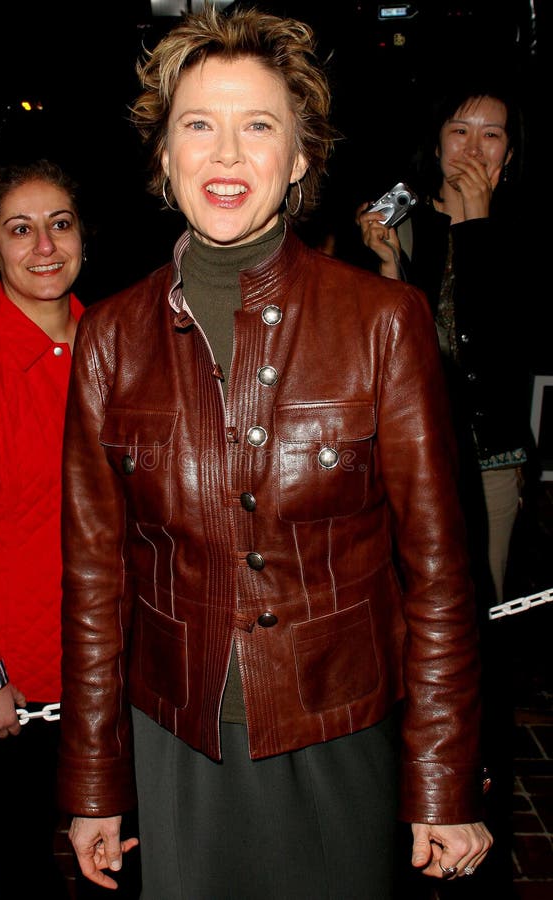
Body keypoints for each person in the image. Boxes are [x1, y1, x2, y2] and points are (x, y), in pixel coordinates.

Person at [57, 6, 493, 898]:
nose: (225, 154)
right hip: (176, 738)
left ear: (297, 160)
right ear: (164, 156)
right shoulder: (107, 337)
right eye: (198, 126)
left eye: (258, 126)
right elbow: (96, 584)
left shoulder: (381, 322)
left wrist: (443, 779)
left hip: (340, 729)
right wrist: (95, 785)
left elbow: (440, 571)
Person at [356, 83, 535, 898]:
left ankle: (472, 780)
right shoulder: (402, 220)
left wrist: (481, 233)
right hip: (405, 465)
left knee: (474, 622)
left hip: (488, 462)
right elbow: (403, 363)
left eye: (493, 136)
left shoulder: (518, 229)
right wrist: (389, 266)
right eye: (460, 129)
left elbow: (498, 361)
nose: (474, 148)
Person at [0, 159, 85, 900]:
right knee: (22, 866)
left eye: (59, 224)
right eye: (20, 229)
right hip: (13, 681)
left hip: (105, 662)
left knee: (125, 852)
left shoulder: (113, 343)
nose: (44, 246)